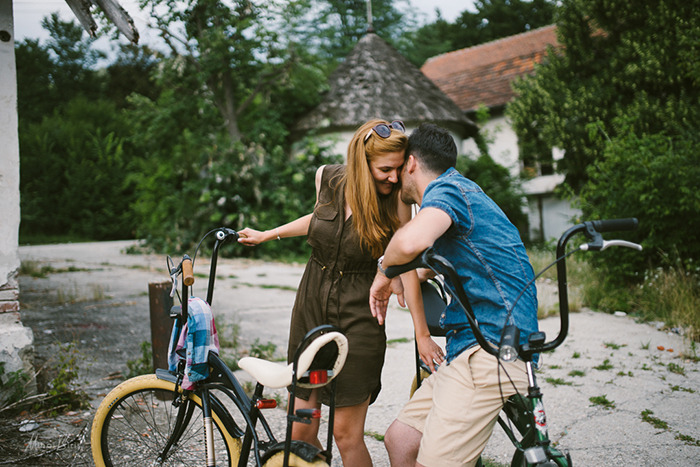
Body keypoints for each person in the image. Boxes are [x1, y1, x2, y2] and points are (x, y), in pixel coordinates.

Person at [238, 119, 443, 466]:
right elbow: (320, 219)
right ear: (362, 163)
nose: (394, 178)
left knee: (346, 435)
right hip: (311, 308)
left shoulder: (396, 201)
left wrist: (421, 334)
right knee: (301, 430)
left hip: (359, 314)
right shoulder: (327, 178)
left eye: (398, 169)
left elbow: (406, 263)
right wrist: (267, 234)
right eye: (385, 170)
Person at [369, 123, 539, 467]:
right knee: (400, 440)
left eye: (397, 169)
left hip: (492, 351)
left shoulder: (448, 192)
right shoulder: (463, 197)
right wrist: (404, 275)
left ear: (412, 164)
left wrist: (384, 272)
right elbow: (436, 263)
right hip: (467, 351)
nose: (393, 179)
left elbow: (409, 243)